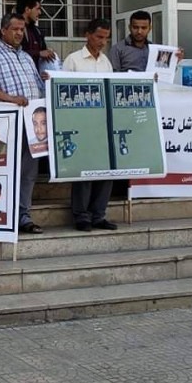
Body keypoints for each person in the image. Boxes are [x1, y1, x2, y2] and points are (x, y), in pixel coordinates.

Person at [0, 13, 45, 234]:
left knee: (29, 173)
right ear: (3, 31)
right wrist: (10, 99)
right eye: (15, 29)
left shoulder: (26, 57)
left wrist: (47, 80)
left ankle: (23, 216)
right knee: (6, 171)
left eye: (22, 29)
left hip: (33, 125)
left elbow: (38, 88)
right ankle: (3, 215)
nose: (19, 33)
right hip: (8, 124)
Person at [62, 18, 118, 232]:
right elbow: (63, 91)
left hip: (102, 124)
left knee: (106, 169)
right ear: (88, 35)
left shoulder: (105, 62)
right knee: (84, 171)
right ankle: (81, 215)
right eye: (99, 37)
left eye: (106, 38)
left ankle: (98, 215)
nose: (102, 42)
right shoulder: (73, 60)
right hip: (80, 123)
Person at [109, 10, 183, 72]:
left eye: (144, 28)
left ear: (150, 28)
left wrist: (174, 61)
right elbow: (113, 76)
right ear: (129, 27)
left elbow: (163, 73)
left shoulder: (155, 50)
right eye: (135, 27)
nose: (139, 31)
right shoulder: (117, 49)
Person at [16, 0, 56, 68]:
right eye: (37, 9)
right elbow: (14, 53)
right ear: (27, 10)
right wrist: (38, 53)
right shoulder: (15, 31)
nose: (40, 12)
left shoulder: (37, 31)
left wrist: (48, 52)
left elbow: (43, 51)